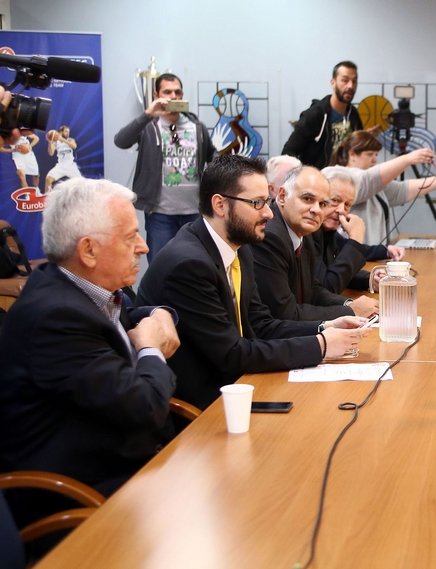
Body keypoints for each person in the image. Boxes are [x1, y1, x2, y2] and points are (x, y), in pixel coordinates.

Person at [135, 154, 369, 409]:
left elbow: (262, 325)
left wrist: (325, 326)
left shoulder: (240, 248)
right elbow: (232, 355)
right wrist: (320, 345)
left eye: (266, 202)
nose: (268, 213)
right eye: (257, 203)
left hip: (240, 384)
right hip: (207, 404)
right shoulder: (189, 265)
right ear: (220, 205)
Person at [0, 178, 180, 504]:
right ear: (88, 250)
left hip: (134, 463)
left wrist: (160, 313)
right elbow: (146, 407)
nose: (144, 247)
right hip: (86, 495)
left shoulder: (80, 287)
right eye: (131, 237)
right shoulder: (55, 319)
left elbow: (123, 317)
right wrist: (150, 348)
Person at [252, 166, 378, 320]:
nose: (316, 210)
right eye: (307, 199)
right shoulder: (270, 236)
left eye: (323, 204)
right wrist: (350, 312)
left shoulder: (303, 229)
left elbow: (312, 289)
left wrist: (349, 305)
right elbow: (285, 314)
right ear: (282, 196)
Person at [114, 72, 215, 261]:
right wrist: (147, 114)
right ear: (156, 95)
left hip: (194, 213)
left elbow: (212, 157)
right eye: (167, 92)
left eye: (177, 92)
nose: (173, 96)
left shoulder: (197, 127)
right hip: (160, 215)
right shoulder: (148, 126)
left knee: (195, 265)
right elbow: (121, 141)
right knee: (160, 267)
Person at [325, 130, 436, 245]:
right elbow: (368, 180)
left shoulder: (374, 185)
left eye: (376, 154)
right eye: (369, 154)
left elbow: (401, 191)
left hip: (372, 255)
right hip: (353, 256)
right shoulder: (336, 175)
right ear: (352, 154)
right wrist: (408, 159)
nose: (374, 159)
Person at [282, 60, 364, 170]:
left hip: (346, 178)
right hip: (319, 178)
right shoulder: (314, 115)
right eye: (345, 80)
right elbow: (288, 153)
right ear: (333, 83)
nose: (350, 86)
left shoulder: (353, 114)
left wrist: (365, 139)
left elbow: (357, 151)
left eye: (354, 81)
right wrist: (306, 175)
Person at [44, 125, 82, 191]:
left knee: (81, 183)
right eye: (66, 131)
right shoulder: (56, 142)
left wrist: (62, 139)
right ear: (61, 132)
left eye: (68, 132)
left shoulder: (70, 140)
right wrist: (50, 142)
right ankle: (46, 196)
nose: (68, 133)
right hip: (60, 166)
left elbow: (74, 146)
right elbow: (51, 153)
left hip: (71, 166)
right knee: (48, 179)